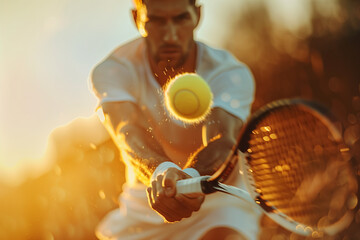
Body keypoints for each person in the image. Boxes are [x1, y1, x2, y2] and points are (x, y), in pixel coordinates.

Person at [90, 0, 261, 239]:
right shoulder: (114, 70)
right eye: (156, 21)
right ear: (136, 19)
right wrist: (161, 172)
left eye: (180, 18)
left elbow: (223, 138)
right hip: (145, 205)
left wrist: (191, 179)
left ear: (197, 16)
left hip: (220, 200)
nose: (170, 35)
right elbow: (126, 129)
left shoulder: (230, 73)